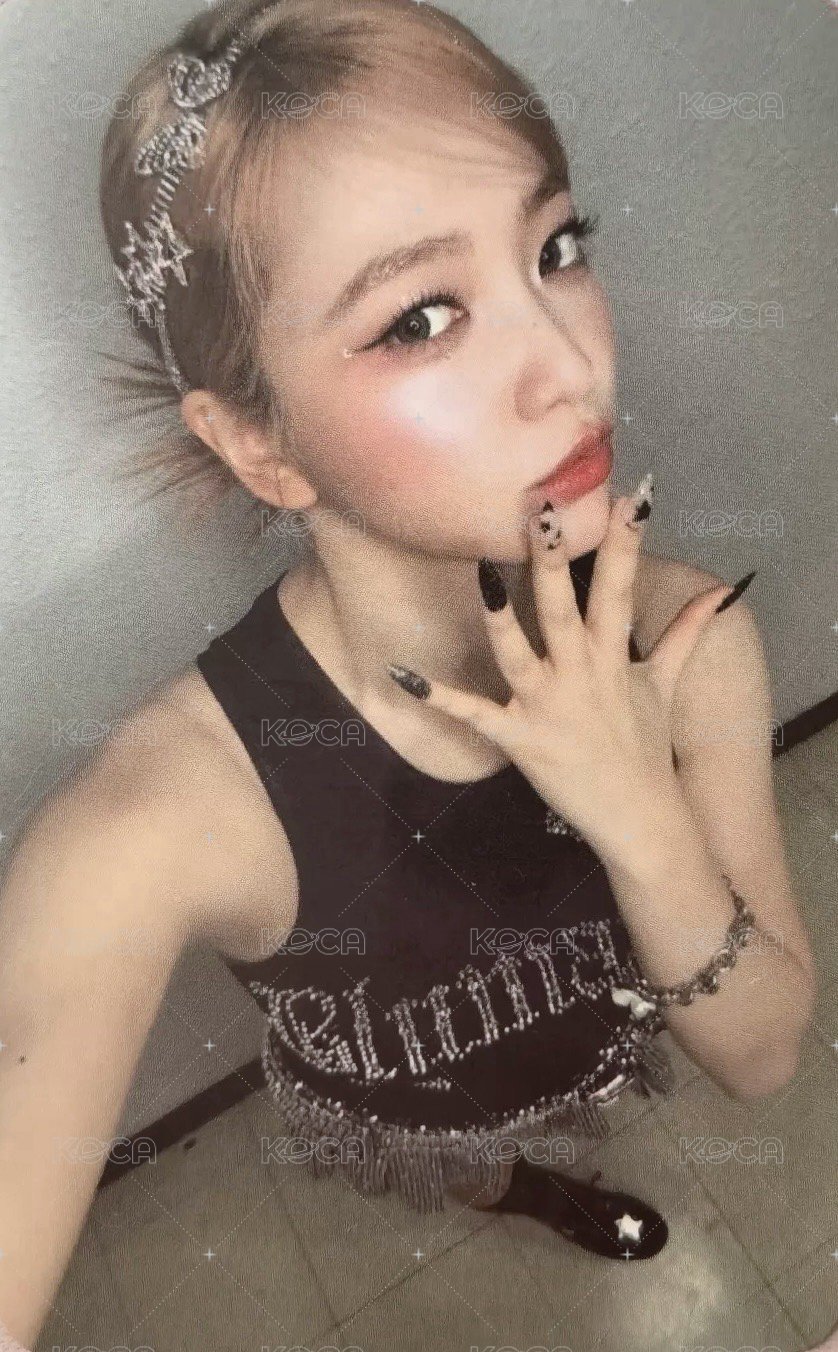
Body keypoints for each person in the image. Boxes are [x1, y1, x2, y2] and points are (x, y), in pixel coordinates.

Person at [0, 0, 819, 1346]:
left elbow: (765, 1052)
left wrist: (640, 811)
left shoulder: (684, 645)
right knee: (461, 1167)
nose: (571, 366)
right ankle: (519, 1191)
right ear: (259, 445)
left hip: (588, 1044)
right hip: (410, 1110)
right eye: (422, 316)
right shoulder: (166, 818)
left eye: (555, 249)